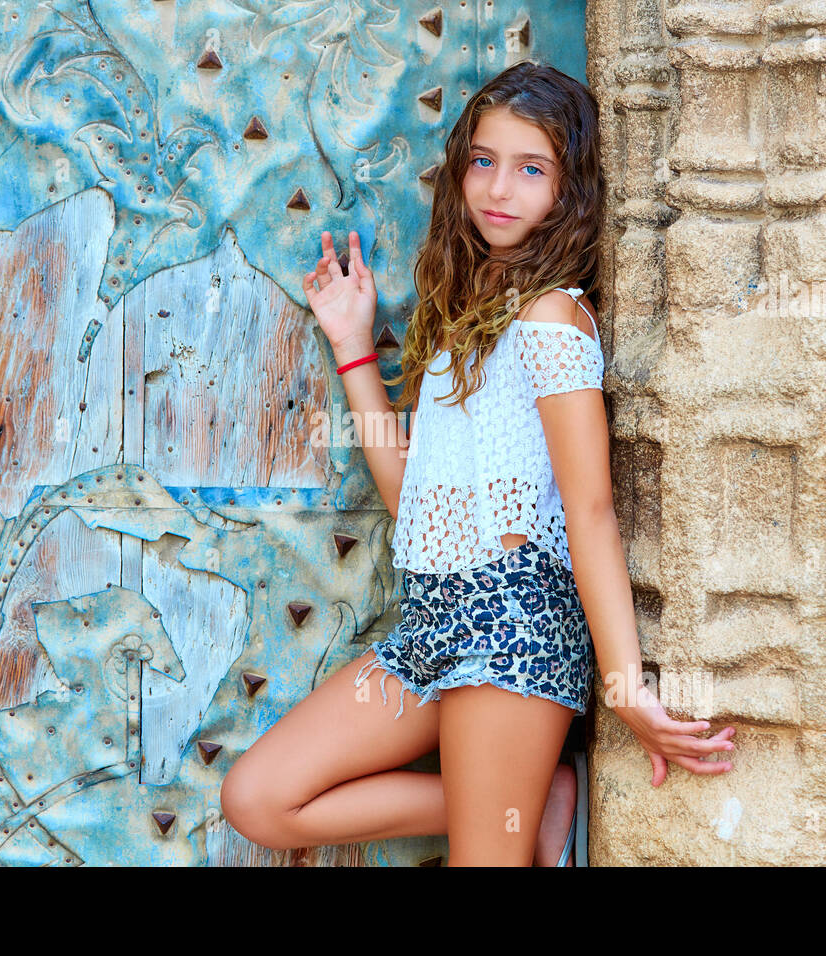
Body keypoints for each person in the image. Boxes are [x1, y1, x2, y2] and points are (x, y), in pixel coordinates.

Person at [220, 60, 736, 866]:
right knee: (258, 797)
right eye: (485, 161)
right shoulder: (463, 318)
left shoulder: (552, 317)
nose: (500, 188)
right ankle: (525, 807)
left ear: (568, 191)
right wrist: (354, 346)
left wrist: (625, 685)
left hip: (516, 625)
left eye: (532, 169)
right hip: (435, 620)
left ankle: (516, 810)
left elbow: (589, 509)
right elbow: (414, 505)